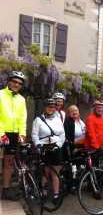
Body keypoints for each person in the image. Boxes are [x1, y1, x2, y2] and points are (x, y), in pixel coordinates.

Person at [32, 98, 65, 202]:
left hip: (56, 147)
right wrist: (38, 145)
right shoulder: (38, 119)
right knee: (45, 172)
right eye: (49, 106)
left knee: (55, 172)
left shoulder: (58, 119)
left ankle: (56, 194)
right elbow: (34, 135)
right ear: (45, 107)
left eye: (53, 107)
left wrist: (59, 145)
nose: (51, 108)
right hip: (44, 147)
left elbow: (62, 134)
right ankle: (44, 192)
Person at [0, 71, 27, 200]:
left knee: (8, 163)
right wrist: (1, 134)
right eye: (15, 81)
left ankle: (5, 190)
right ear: (9, 81)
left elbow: (23, 118)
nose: (17, 84)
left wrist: (22, 134)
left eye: (19, 83)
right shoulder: (0, 94)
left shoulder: (21, 99)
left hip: (13, 135)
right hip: (1, 133)